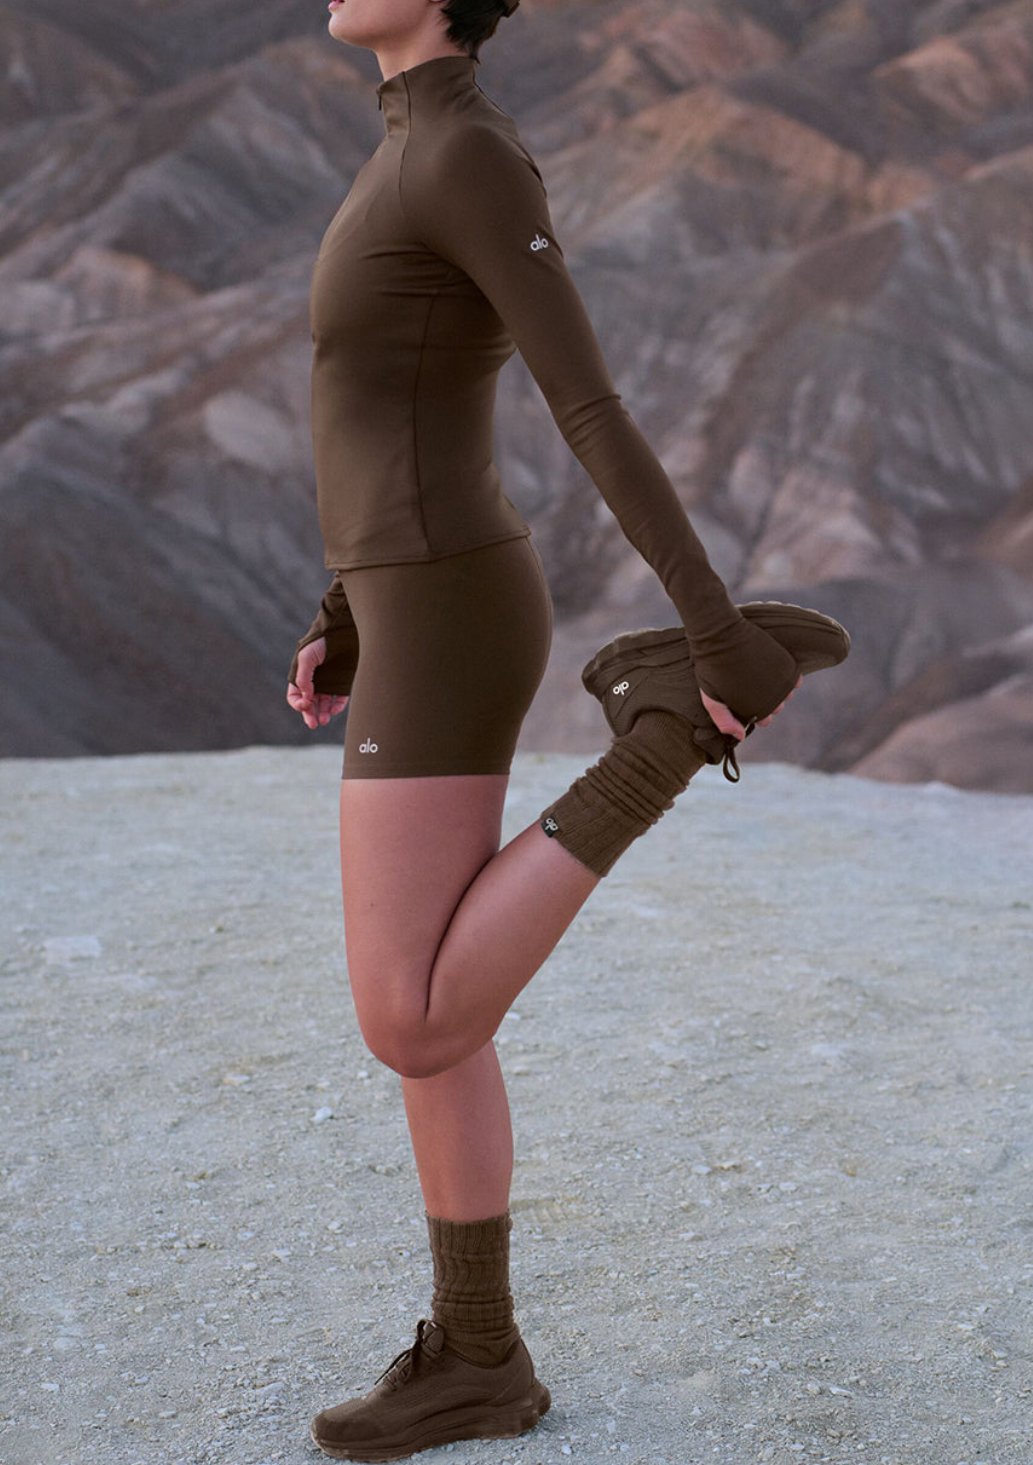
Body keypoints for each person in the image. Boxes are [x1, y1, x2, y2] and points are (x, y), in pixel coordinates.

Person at [286, 0, 849, 1458]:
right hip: (407, 597)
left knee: (411, 1012)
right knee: (436, 1027)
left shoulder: (464, 152)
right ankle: (477, 1355)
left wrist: (714, 629)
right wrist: (344, 606)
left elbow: (584, 404)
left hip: (451, 604)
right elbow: (387, 396)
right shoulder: (407, 140)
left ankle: (663, 736)